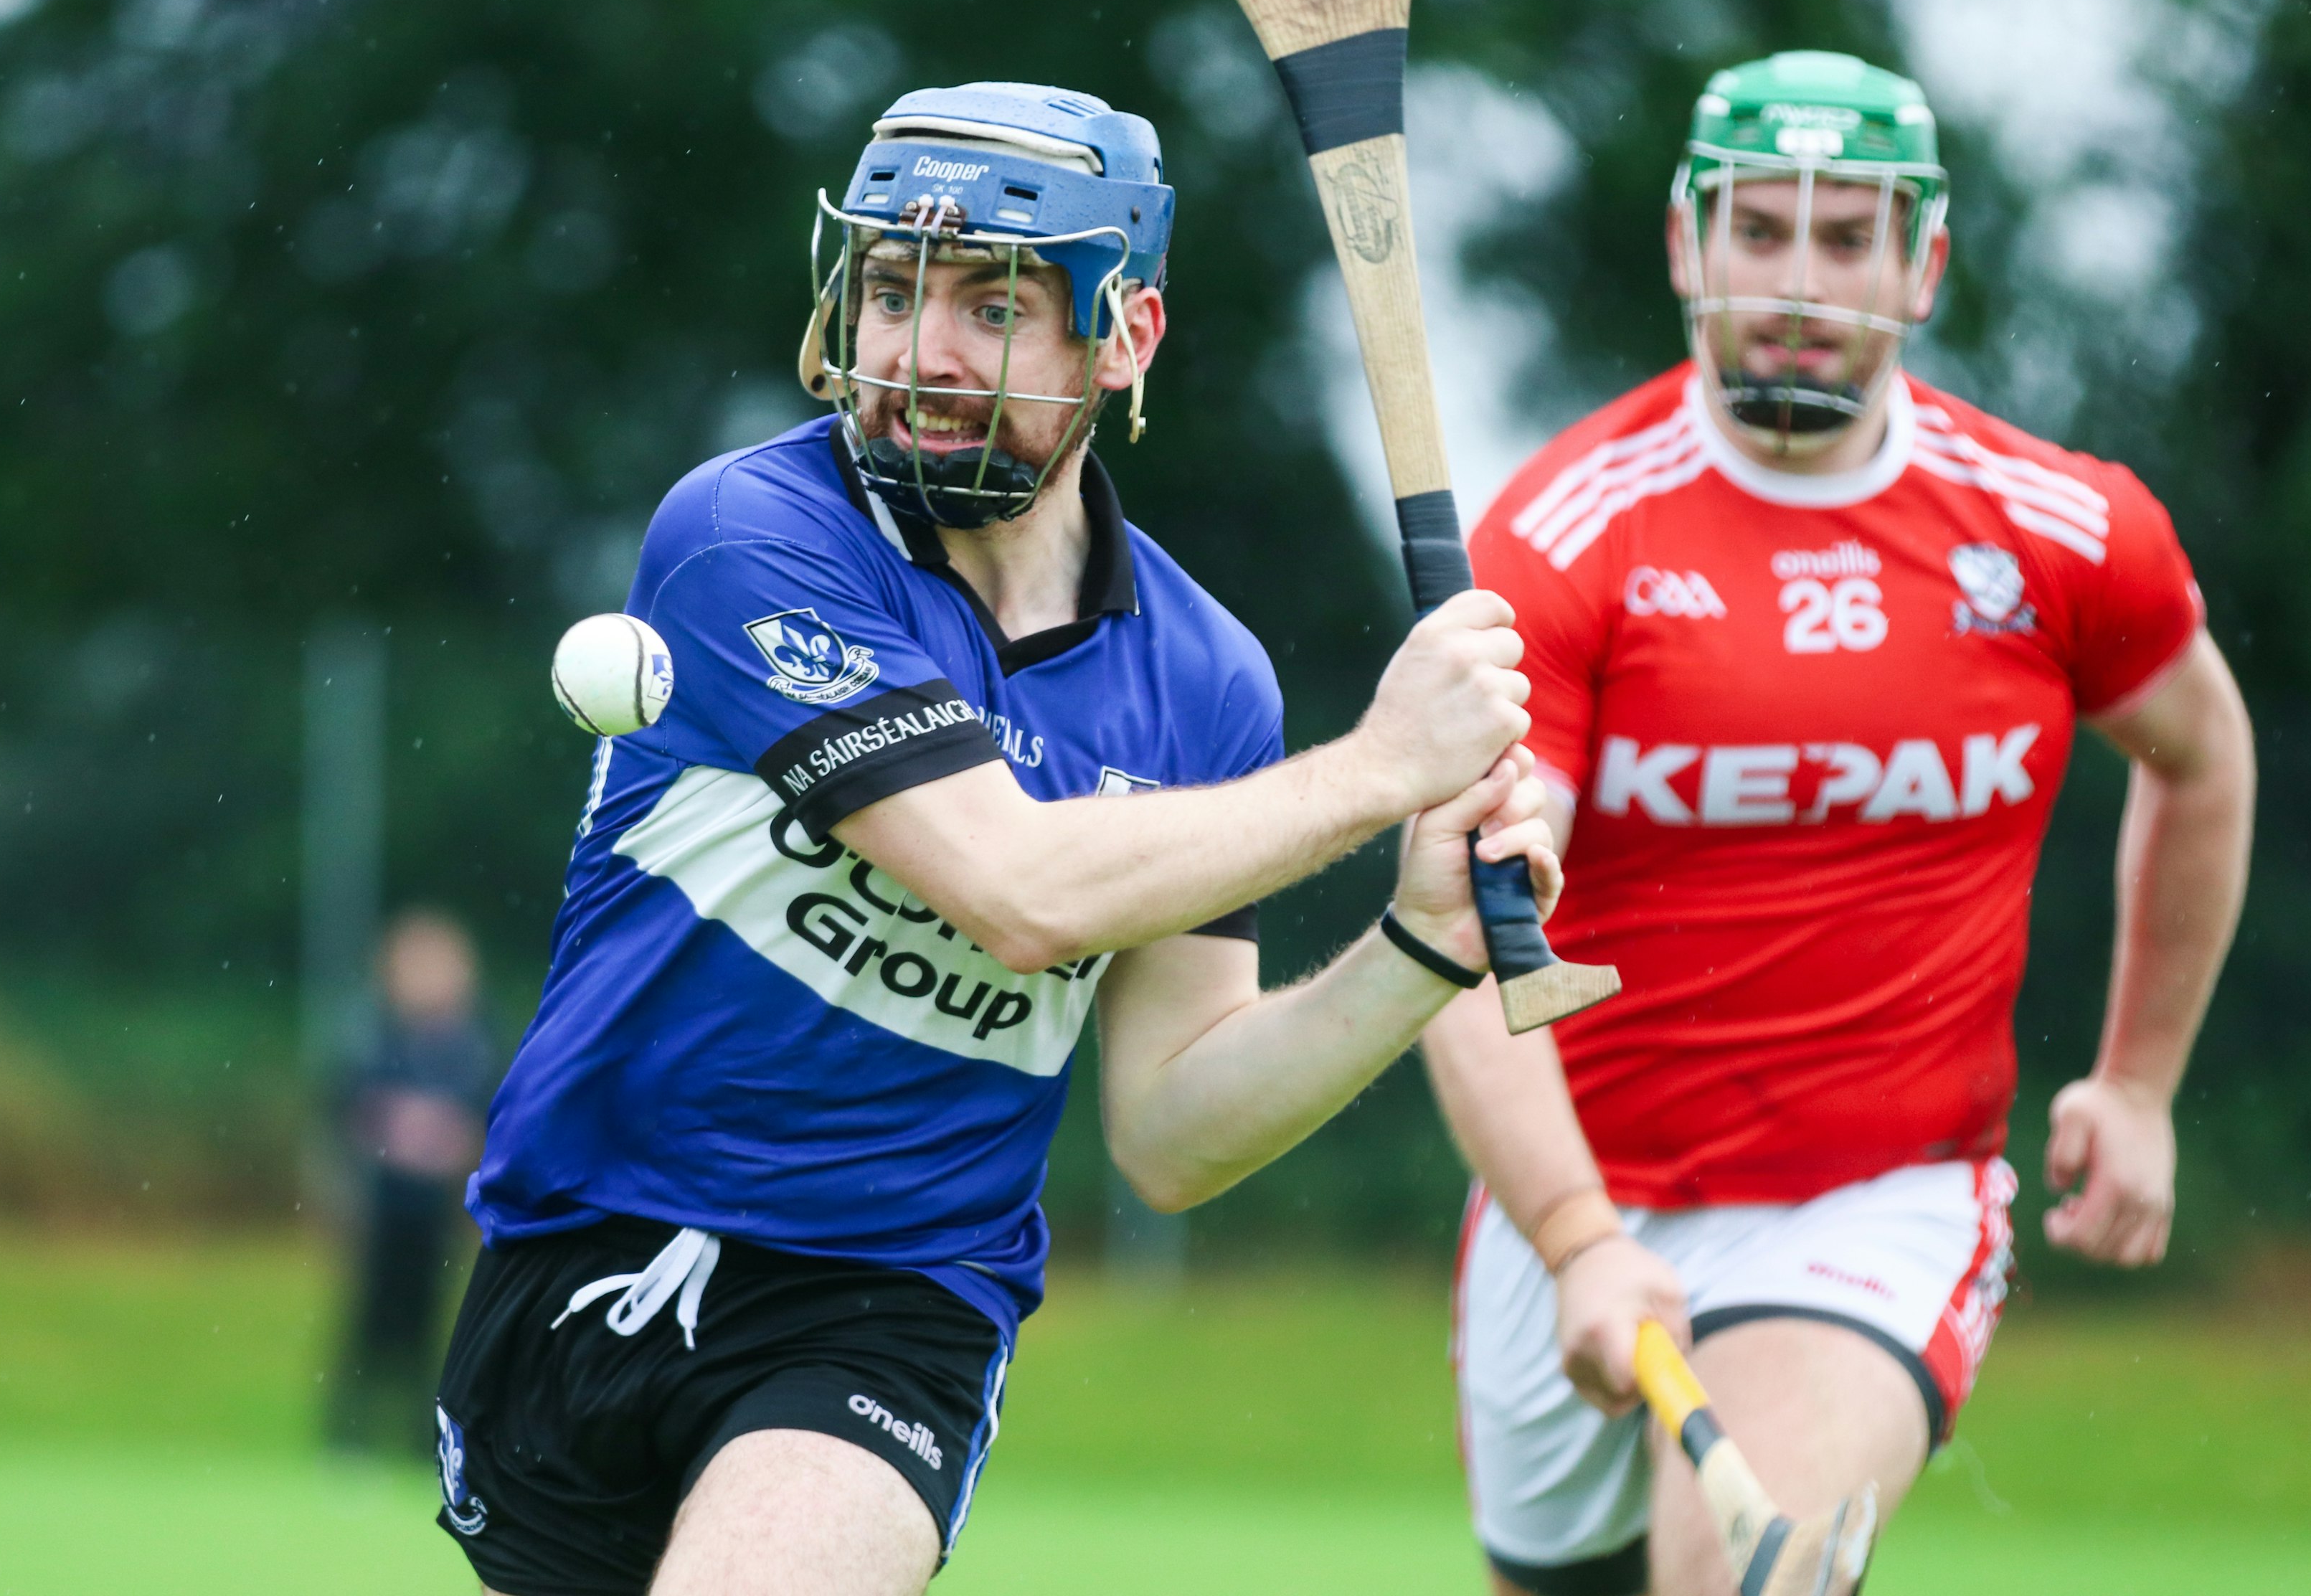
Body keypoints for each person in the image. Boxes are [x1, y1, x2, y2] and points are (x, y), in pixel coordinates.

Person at [430, 80, 1564, 1596]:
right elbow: (1017, 890)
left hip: (888, 1301)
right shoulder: (752, 535)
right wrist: (1377, 772)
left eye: (995, 304)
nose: (920, 354)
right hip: (584, 1247)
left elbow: (1170, 1125)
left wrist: (1421, 941)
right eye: (892, 290)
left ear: (1127, 335)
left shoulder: (1204, 678)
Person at [1428, 49, 2256, 1595]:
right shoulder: (1564, 543)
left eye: (1846, 234)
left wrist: (2140, 1080)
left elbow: (2204, 753)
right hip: (1582, 1192)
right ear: (1685, 244)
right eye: (1759, 229)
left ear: (1922, 263)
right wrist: (1576, 1229)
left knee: (1743, 1574)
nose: (1799, 280)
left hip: (1883, 1194)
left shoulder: (2064, 531)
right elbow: (1462, 934)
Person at [328, 908, 501, 1455]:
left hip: (438, 1211)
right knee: (368, 1325)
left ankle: (421, 1440)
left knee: (434, 1331)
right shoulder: (373, 1036)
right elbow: (346, 1110)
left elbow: (486, 1121)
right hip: (383, 1208)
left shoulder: (473, 1044)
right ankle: (348, 1436)